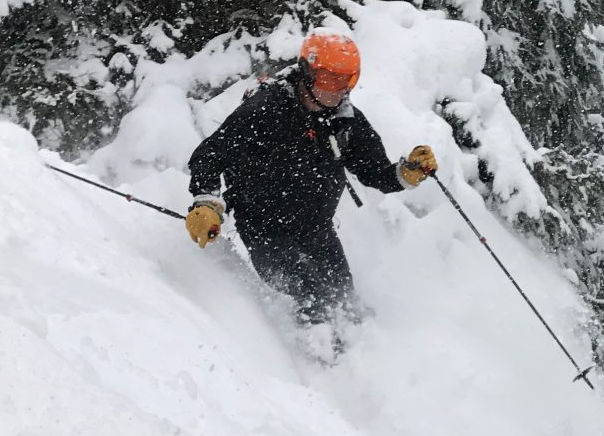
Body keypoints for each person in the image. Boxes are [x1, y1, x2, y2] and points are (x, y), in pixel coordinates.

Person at [185, 31, 437, 326]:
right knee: (313, 295)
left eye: (346, 82)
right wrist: (206, 201)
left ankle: (365, 357)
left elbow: (375, 172)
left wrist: (406, 173)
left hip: (317, 230)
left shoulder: (344, 120)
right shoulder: (267, 109)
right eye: (329, 80)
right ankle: (314, 361)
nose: (337, 91)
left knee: (346, 303)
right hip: (266, 231)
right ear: (307, 71)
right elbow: (211, 154)